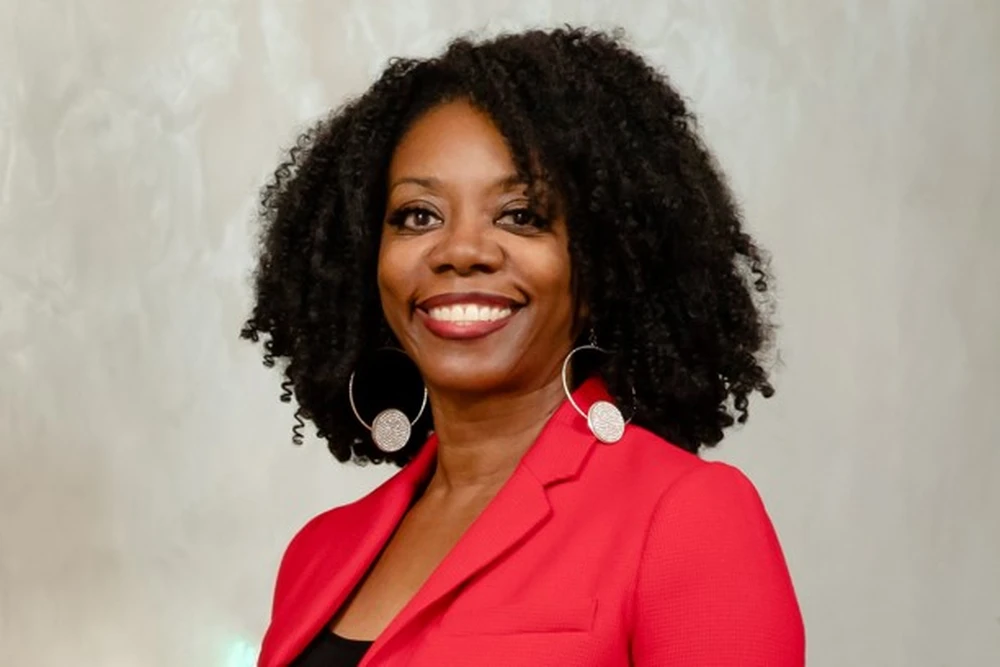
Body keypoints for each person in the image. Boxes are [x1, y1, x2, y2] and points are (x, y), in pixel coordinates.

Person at [241, 26, 804, 667]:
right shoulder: (319, 553)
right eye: (418, 215)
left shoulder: (686, 518)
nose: (461, 250)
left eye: (521, 215)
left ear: (604, 262)